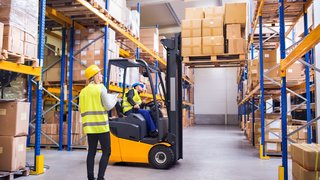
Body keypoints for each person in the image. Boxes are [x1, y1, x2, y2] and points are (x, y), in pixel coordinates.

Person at [79, 64, 117, 180]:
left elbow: (81, 109)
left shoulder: (83, 92)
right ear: (94, 76)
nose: (101, 76)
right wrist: (115, 98)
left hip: (90, 127)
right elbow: (108, 105)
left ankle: (90, 177)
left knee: (91, 152)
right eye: (99, 74)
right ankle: (100, 177)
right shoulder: (101, 88)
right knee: (106, 151)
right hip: (101, 126)